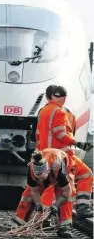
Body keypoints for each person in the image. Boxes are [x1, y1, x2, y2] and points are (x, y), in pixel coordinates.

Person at [35, 85, 93, 218]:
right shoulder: (59, 112)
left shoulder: (43, 111)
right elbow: (60, 134)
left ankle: (44, 218)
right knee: (82, 177)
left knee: (50, 185)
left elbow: (37, 135)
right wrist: (78, 144)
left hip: (46, 155)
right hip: (62, 156)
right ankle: (81, 208)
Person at [16, 148, 75, 238]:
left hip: (65, 169)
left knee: (65, 194)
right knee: (27, 194)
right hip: (49, 173)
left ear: (47, 170)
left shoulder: (59, 170)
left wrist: (56, 204)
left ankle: (65, 227)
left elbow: (67, 191)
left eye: (41, 177)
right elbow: (34, 190)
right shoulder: (31, 171)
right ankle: (18, 221)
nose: (40, 180)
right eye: (37, 177)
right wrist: (38, 204)